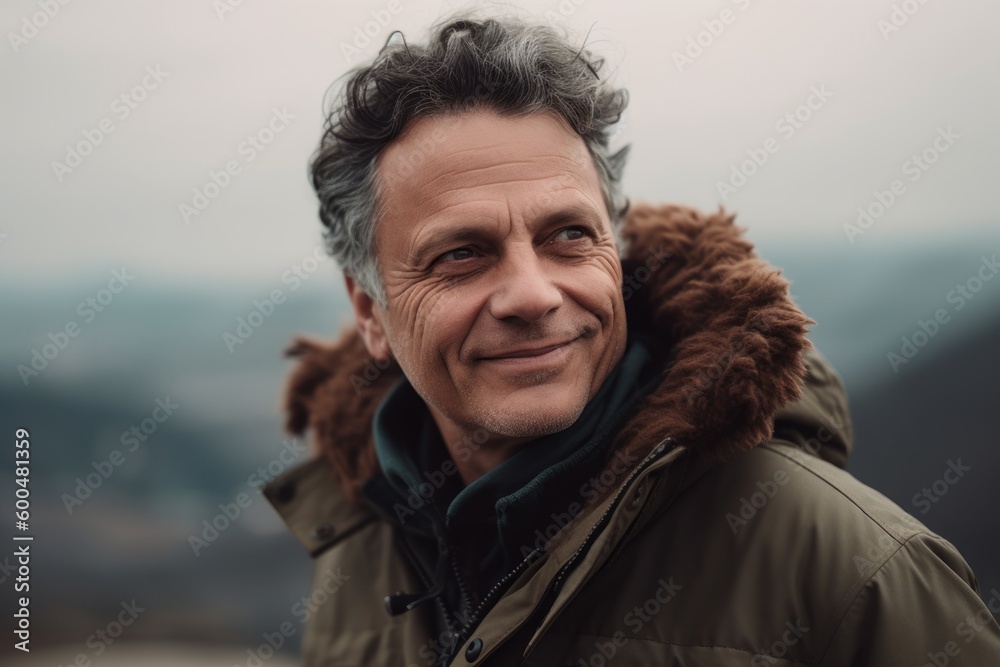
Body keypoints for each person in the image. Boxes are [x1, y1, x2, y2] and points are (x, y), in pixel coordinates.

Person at [263, 13, 1000, 667]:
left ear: (615, 250)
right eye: (462, 253)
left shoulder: (852, 571)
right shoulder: (357, 545)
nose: (533, 294)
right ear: (369, 309)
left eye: (569, 236)